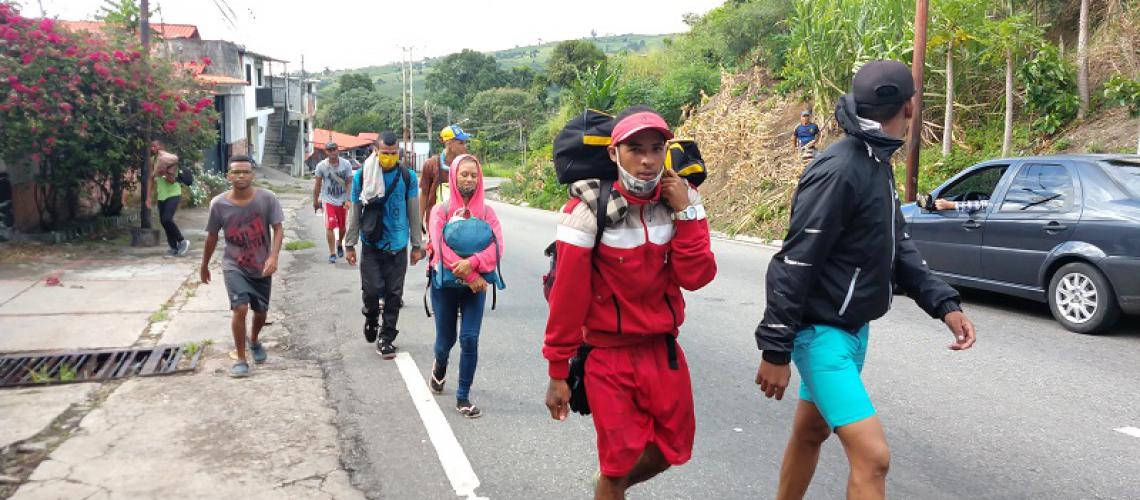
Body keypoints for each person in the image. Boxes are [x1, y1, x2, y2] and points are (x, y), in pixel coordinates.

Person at [753, 60, 978, 500]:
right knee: (873, 458)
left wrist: (944, 305)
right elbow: (794, 261)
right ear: (910, 106)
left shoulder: (876, 159)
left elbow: (898, 248)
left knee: (810, 431)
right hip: (821, 334)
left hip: (853, 330)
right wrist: (775, 349)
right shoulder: (840, 169)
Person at [543, 106, 717, 499]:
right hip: (609, 358)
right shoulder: (586, 214)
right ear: (613, 153)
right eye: (635, 148)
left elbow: (697, 276)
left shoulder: (676, 205)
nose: (647, 159)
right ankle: (611, 482)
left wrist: (689, 211)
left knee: (673, 450)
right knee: (618, 462)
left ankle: (607, 485)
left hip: (663, 352)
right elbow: (568, 301)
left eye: (657, 148)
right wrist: (557, 371)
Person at [427, 153, 503, 419]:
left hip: (476, 288)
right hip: (447, 285)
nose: (469, 179)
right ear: (454, 176)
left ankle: (463, 397)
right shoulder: (441, 211)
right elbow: (439, 249)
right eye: (464, 174)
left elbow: (497, 248)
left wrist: (474, 262)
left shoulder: (488, 213)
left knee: (469, 338)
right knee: (444, 341)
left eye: (474, 174)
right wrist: (471, 274)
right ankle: (440, 365)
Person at [199, 156, 285, 378]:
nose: (240, 176)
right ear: (228, 175)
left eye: (245, 172)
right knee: (240, 308)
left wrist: (273, 257)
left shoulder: (266, 199)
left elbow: (278, 229)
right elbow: (211, 237)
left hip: (261, 265)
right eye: (236, 172)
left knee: (261, 312)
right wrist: (204, 265)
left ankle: (254, 340)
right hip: (233, 264)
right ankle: (240, 358)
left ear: (252, 175)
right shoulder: (219, 204)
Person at [344, 132, 424, 359]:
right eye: (385, 153)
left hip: (398, 245)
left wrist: (417, 245)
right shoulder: (362, 176)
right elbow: (355, 211)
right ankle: (371, 317)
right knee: (370, 291)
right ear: (375, 151)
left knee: (393, 294)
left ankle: (386, 337)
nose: (389, 157)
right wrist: (350, 245)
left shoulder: (407, 177)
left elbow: (413, 212)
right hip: (371, 244)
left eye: (393, 153)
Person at [419, 124, 471, 236]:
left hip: (461, 222)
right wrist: (419, 220)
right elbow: (424, 194)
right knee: (437, 252)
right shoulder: (431, 164)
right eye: (461, 143)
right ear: (448, 143)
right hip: (436, 222)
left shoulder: (466, 164)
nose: (465, 146)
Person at [147, 140, 189, 257]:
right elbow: (150, 179)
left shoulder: (169, 161)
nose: (152, 148)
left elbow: (172, 181)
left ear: (161, 147)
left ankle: (182, 241)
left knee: (166, 219)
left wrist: (164, 173)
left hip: (173, 193)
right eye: (151, 146)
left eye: (154, 146)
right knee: (164, 222)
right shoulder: (153, 161)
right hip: (162, 195)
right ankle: (174, 248)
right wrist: (148, 198)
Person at [313, 141, 353, 264]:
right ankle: (332, 253)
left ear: (338, 150)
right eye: (330, 150)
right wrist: (315, 200)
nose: (332, 152)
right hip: (328, 199)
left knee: (342, 227)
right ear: (326, 152)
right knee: (330, 225)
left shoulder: (346, 164)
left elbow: (349, 182)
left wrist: (348, 199)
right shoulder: (321, 166)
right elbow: (318, 184)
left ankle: (339, 243)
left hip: (342, 199)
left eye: (334, 149)